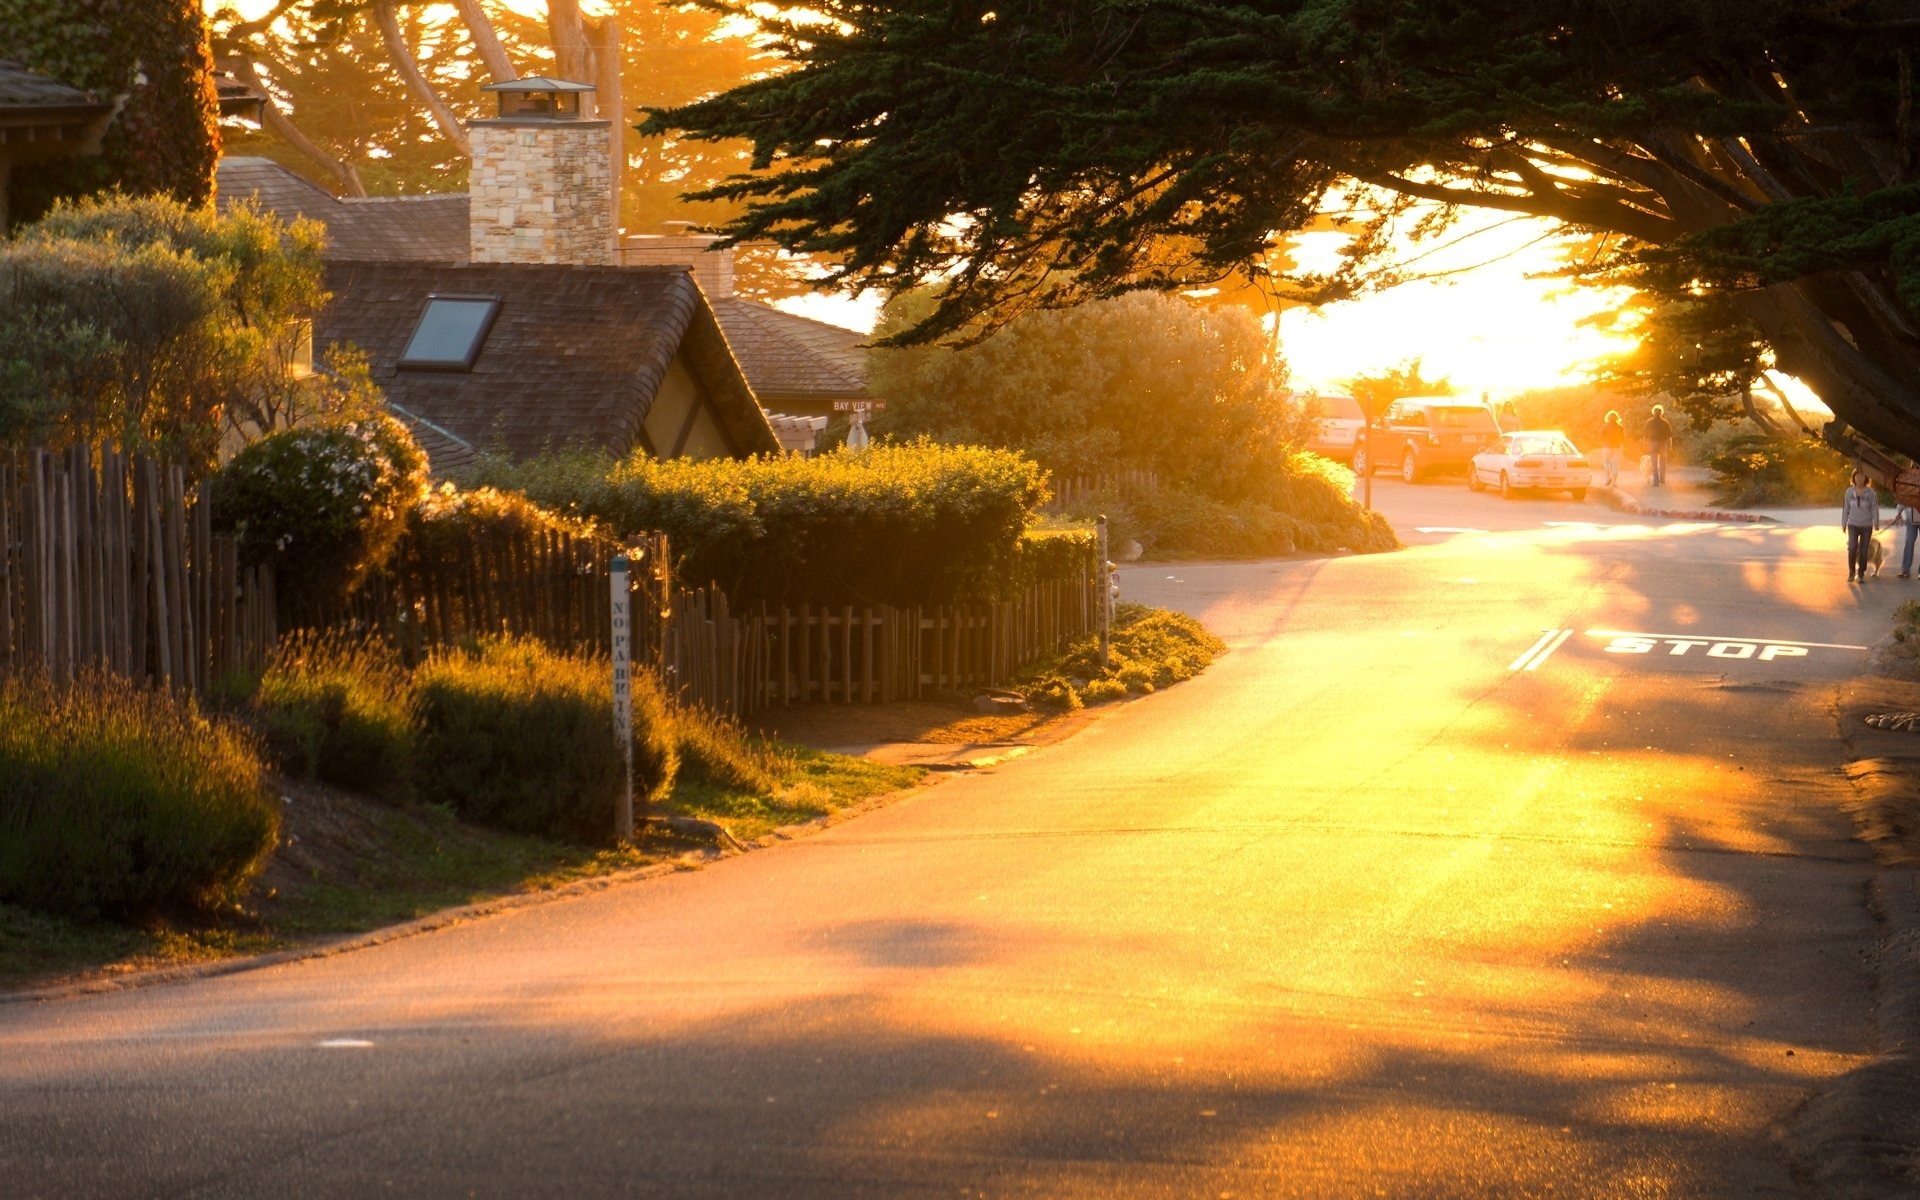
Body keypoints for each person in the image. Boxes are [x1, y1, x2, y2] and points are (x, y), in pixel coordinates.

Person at [1844, 468, 1881, 582]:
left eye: (1861, 476)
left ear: (1866, 478)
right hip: (1853, 524)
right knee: (1852, 547)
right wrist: (1843, 523)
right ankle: (1851, 572)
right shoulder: (1849, 492)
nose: (1859, 478)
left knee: (1864, 550)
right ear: (1853, 478)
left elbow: (1874, 508)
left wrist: (1876, 522)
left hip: (1866, 525)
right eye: (1857, 476)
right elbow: (1846, 508)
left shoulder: (1871, 492)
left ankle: (1860, 574)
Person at [1643, 404, 1674, 485]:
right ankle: (1662, 479)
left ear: (1653, 412)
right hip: (1662, 444)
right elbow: (1669, 437)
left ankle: (1655, 481)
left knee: (1654, 463)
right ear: (1661, 413)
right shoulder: (1665, 423)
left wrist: (1645, 444)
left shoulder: (1649, 422)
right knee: (1663, 462)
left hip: (1652, 444)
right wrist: (1670, 446)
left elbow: (1645, 435)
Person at [1891, 498, 1920, 578]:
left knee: (1909, 542)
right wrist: (1899, 514)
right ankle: (1905, 570)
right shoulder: (1909, 490)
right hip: (1911, 520)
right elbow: (1902, 501)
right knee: (1909, 542)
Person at [1598, 410, 1625, 487]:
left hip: (1607, 447)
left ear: (1608, 418)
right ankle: (1615, 482)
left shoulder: (1605, 426)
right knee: (1615, 464)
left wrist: (1604, 441)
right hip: (1617, 447)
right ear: (1616, 418)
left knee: (1606, 462)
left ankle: (1608, 477)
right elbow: (1623, 438)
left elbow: (1601, 436)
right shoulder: (1620, 427)